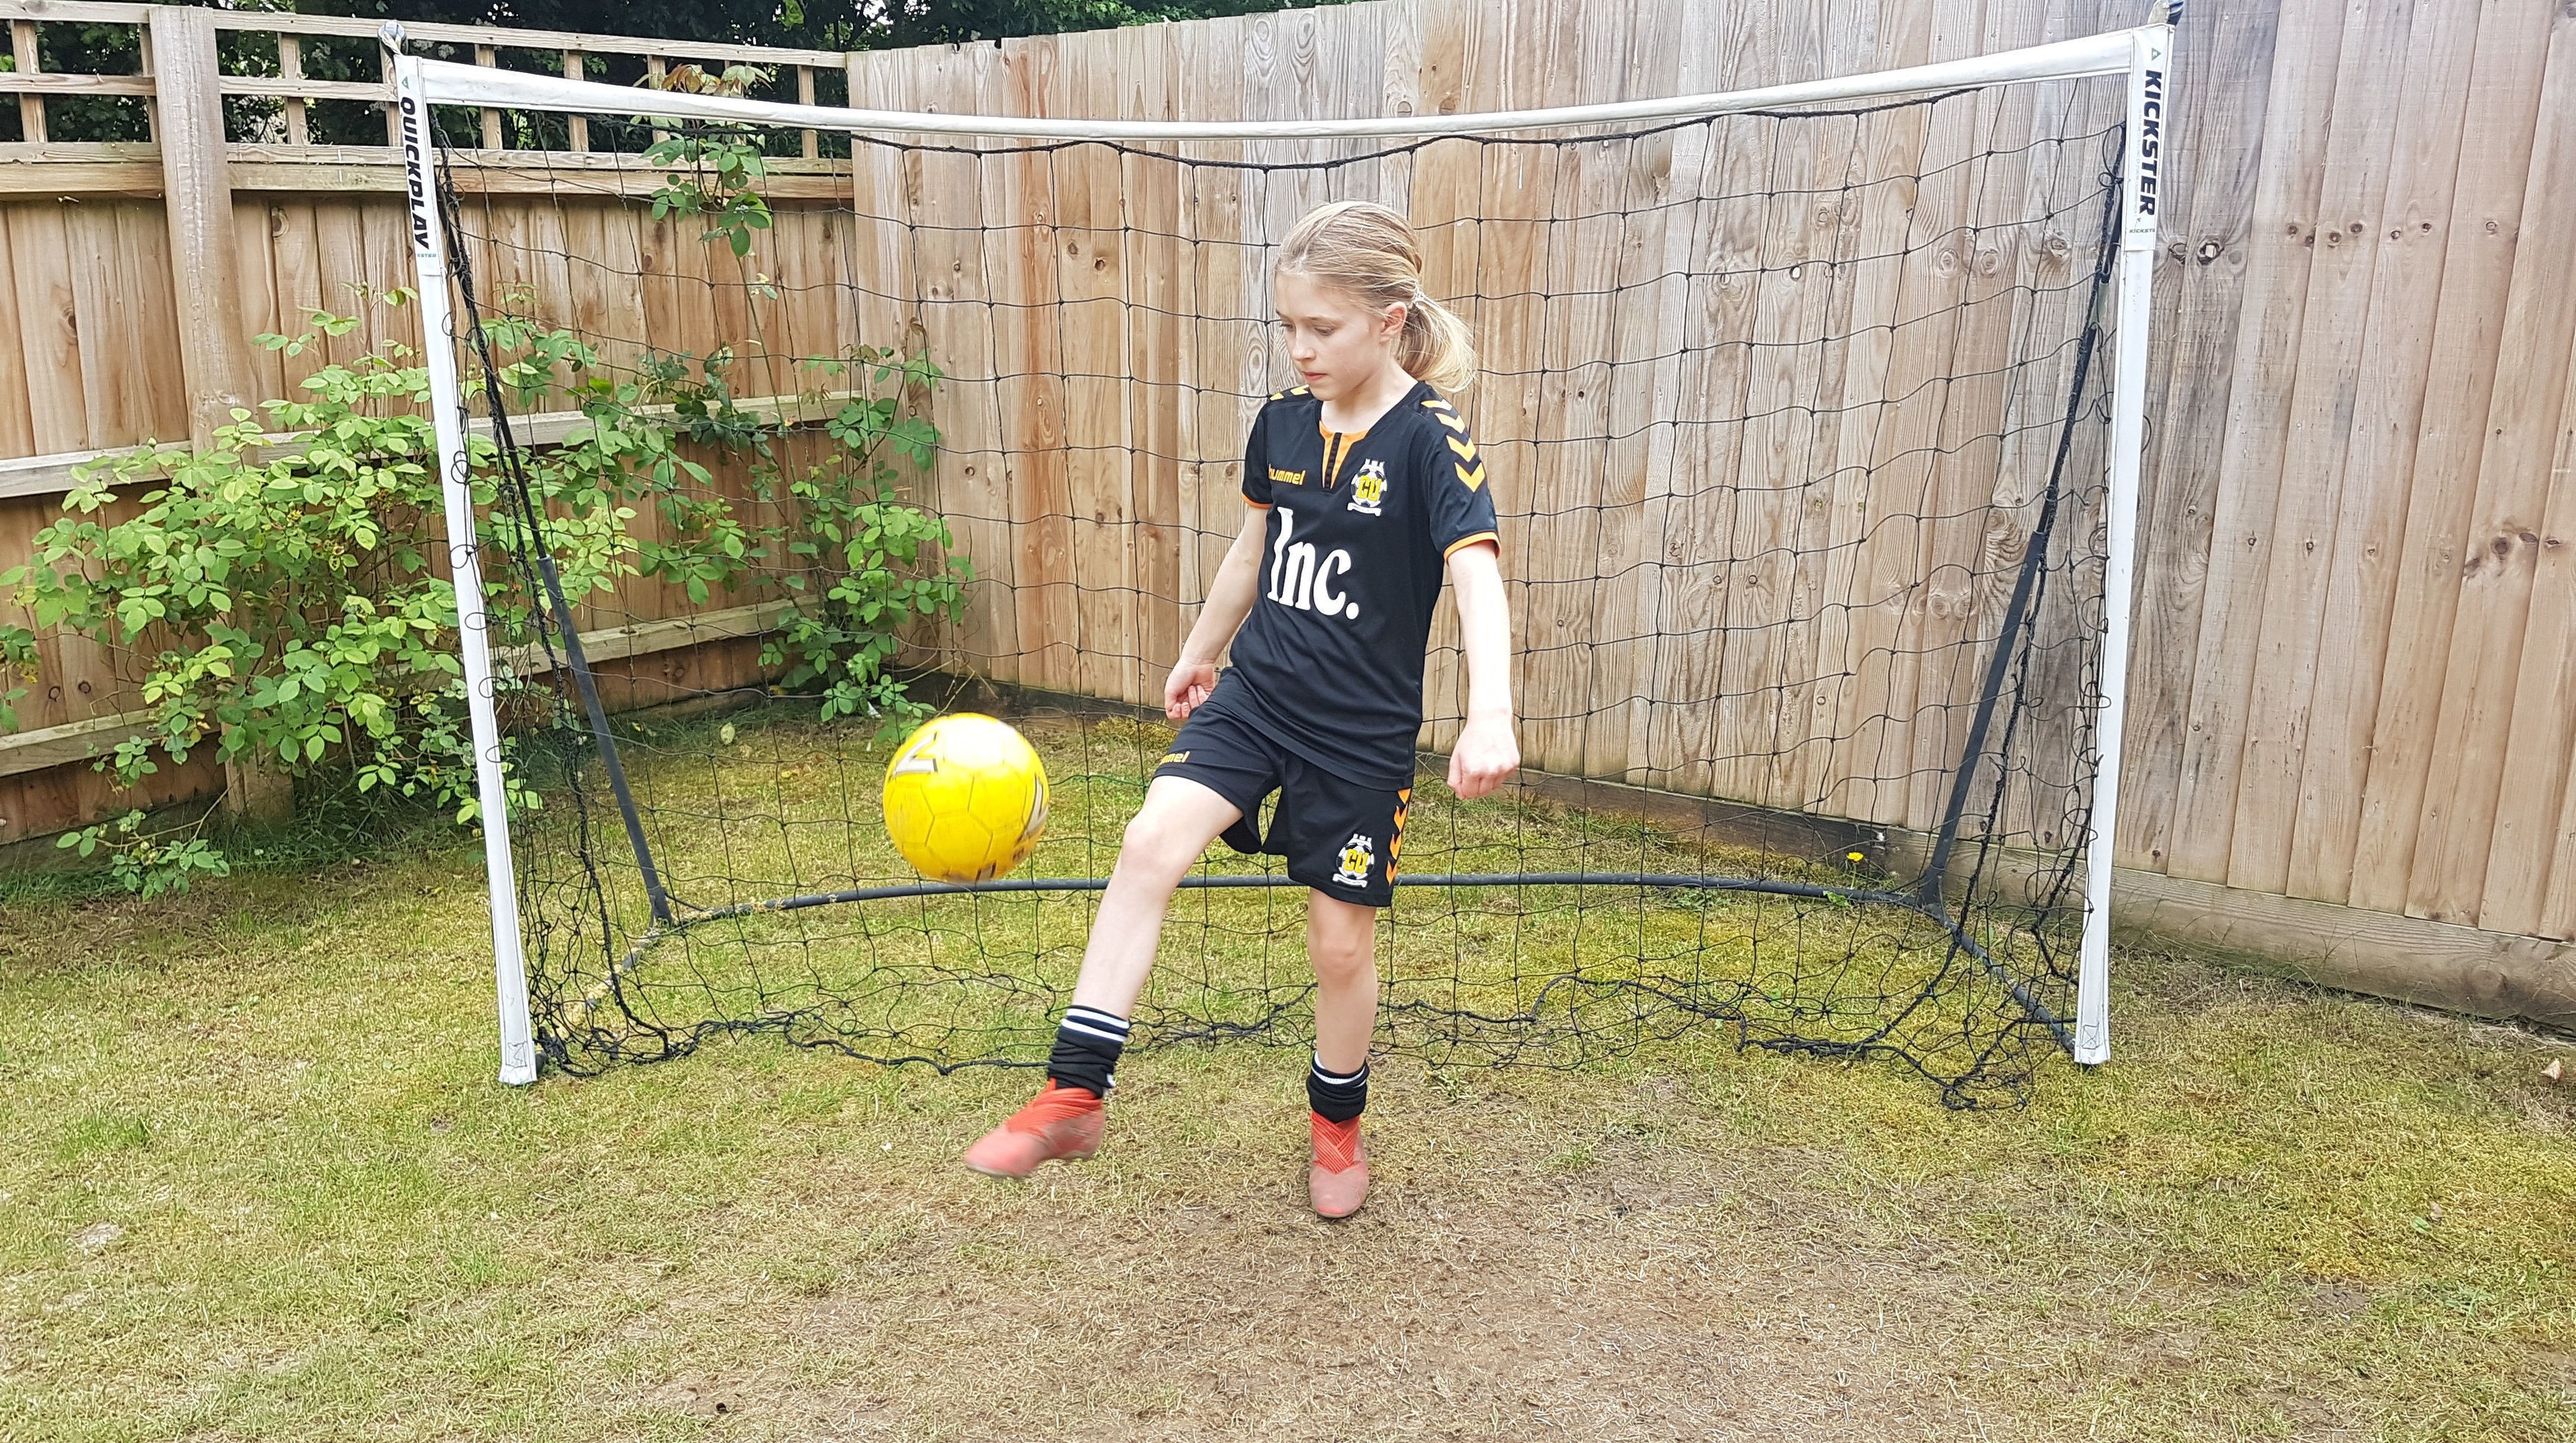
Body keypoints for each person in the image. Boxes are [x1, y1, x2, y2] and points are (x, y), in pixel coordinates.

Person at [961, 200, 1519, 1218]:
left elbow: (1476, 574)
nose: (1301, 349)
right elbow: (1253, 550)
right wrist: (1199, 653)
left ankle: (1337, 1125)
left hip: (1359, 736)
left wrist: (1492, 716)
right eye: (1289, 326)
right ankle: (1074, 1094)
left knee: (1339, 948)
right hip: (1257, 696)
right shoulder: (1282, 424)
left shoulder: (1432, 439)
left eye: (1323, 328)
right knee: (1148, 842)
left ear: (1390, 320)